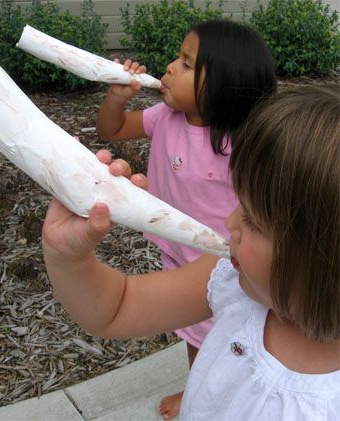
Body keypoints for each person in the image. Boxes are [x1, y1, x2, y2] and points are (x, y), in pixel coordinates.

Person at [43, 84, 339, 419]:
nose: (230, 222)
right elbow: (117, 307)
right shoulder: (235, 280)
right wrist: (67, 255)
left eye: (253, 221)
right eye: (239, 203)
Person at [96, 19, 277, 419]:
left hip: (223, 263)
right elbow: (110, 129)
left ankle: (217, 396)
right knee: (193, 333)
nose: (171, 67)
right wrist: (117, 98)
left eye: (188, 63)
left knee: (227, 333)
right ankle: (199, 389)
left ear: (226, 83)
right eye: (178, 57)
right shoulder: (164, 116)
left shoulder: (241, 141)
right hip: (177, 251)